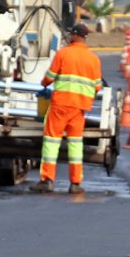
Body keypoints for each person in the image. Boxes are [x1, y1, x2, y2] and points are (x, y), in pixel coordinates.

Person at [30, 22, 102, 195]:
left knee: (52, 141)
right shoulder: (93, 59)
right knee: (76, 145)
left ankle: (47, 180)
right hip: (79, 109)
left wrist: (43, 83)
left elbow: (49, 78)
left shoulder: (64, 53)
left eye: (71, 34)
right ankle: (75, 183)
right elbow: (97, 87)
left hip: (61, 105)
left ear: (76, 35)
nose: (69, 36)